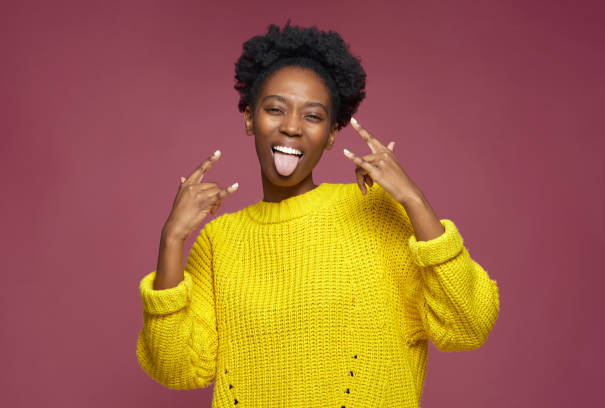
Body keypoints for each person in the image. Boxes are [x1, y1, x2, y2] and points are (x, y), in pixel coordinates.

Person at [136, 21, 500, 407]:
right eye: (275, 109)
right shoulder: (218, 242)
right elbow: (176, 367)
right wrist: (171, 240)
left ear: (331, 133)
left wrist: (414, 201)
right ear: (249, 118)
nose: (291, 127)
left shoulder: (375, 213)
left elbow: (469, 323)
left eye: (312, 116)